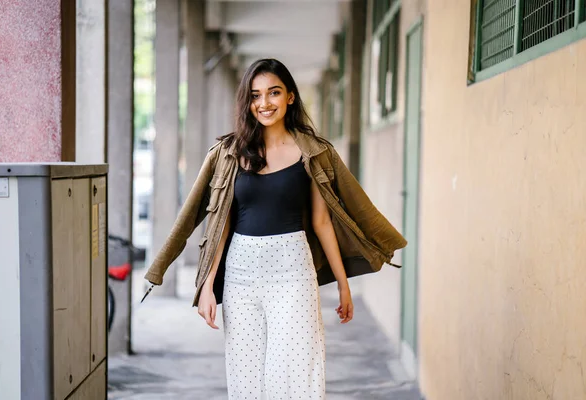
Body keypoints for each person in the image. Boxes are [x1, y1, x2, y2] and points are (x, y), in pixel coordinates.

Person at [144, 58, 407, 399]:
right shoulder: (228, 153)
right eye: (255, 95)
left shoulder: (312, 152)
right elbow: (220, 224)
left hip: (293, 274)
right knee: (246, 380)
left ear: (291, 97)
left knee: (296, 377)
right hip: (240, 277)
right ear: (247, 101)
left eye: (273, 93)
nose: (264, 103)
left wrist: (343, 285)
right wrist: (208, 285)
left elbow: (322, 222)